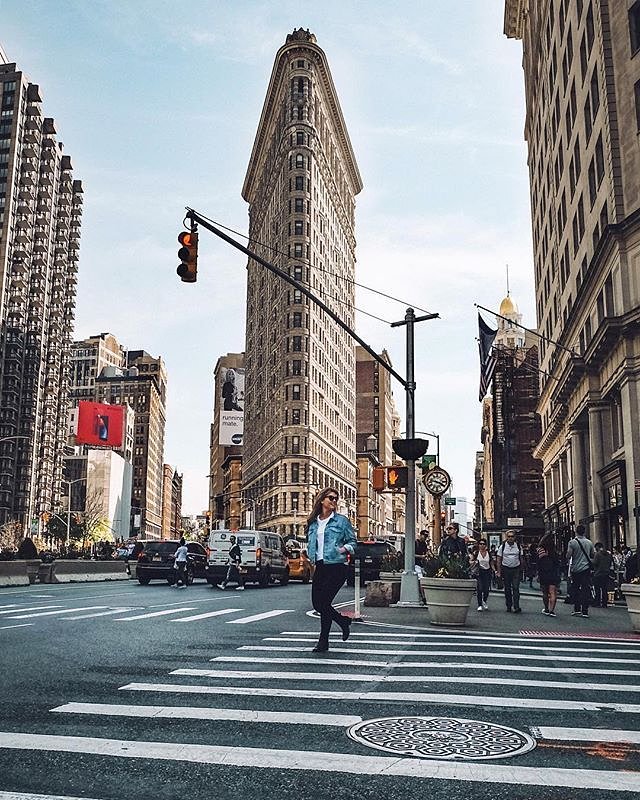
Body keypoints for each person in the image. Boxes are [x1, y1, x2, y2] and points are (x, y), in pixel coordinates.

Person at [306, 488, 356, 653]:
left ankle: (323, 641)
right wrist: (309, 554)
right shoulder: (313, 522)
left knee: (323, 603)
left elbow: (353, 542)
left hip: (337, 566)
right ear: (322, 500)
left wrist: (342, 550)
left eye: (336, 498)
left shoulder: (341, 521)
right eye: (331, 498)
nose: (334, 501)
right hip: (320, 566)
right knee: (318, 604)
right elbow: (312, 542)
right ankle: (342, 622)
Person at [566, 524, 595, 618]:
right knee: (585, 589)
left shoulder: (572, 542)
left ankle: (577, 609)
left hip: (576, 569)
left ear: (576, 531)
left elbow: (568, 555)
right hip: (586, 569)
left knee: (576, 589)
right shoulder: (589, 542)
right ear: (584, 532)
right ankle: (585, 610)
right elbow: (592, 554)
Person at [496, 530, 523, 613]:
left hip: (516, 569)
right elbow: (499, 559)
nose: (510, 538)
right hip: (506, 569)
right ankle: (509, 605)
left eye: (512, 536)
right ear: (506, 537)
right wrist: (499, 571)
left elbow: (521, 558)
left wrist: (522, 569)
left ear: (515, 537)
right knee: (507, 589)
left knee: (516, 588)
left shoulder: (518, 546)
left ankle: (516, 606)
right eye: (509, 536)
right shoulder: (502, 546)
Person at [537, 535, 560, 617]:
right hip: (553, 573)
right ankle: (552, 610)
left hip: (543, 573)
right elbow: (557, 563)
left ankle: (546, 608)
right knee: (553, 592)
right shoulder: (554, 551)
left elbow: (538, 563)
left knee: (545, 592)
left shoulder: (540, 550)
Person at [470, 539, 494, 611]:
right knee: (480, 588)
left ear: (486, 545)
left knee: (486, 589)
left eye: (483, 544)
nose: (482, 545)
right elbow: (471, 561)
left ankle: (484, 600)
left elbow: (491, 562)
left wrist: (495, 570)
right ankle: (479, 604)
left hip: (487, 572)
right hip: (479, 572)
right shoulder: (476, 553)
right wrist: (474, 562)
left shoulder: (488, 553)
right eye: (480, 544)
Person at [593, 542, 613, 608]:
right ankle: (604, 603)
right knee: (604, 589)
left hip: (598, 573)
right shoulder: (608, 554)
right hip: (606, 573)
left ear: (597, 547)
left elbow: (595, 563)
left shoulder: (597, 554)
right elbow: (610, 563)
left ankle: (597, 602)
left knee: (597, 589)